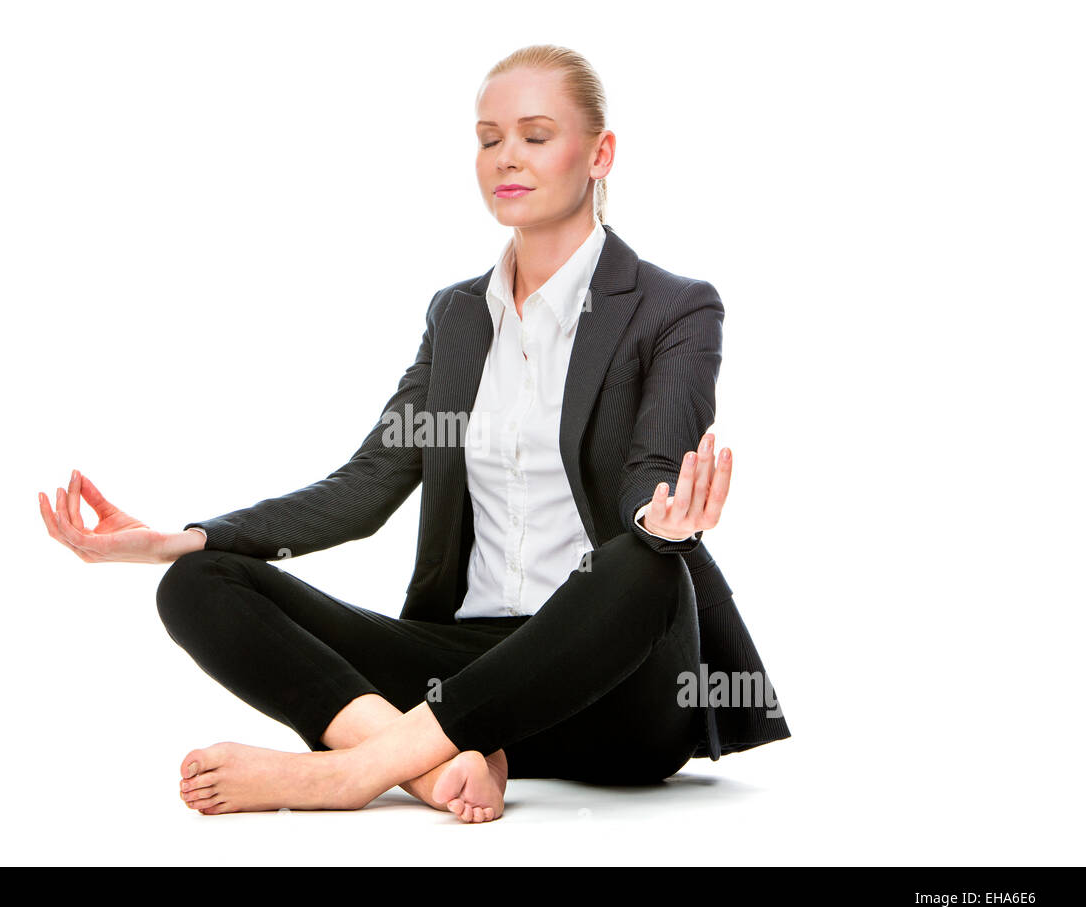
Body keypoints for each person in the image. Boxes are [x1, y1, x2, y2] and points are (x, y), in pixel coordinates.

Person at [39, 44, 790, 824]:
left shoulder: (674, 307)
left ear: (599, 153)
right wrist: (181, 539)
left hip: (614, 687)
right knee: (199, 585)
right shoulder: (458, 315)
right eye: (488, 136)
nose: (507, 157)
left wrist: (659, 519)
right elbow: (364, 487)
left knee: (651, 566)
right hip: (462, 681)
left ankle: (352, 773)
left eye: (535, 135)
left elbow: (652, 470)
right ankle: (439, 773)